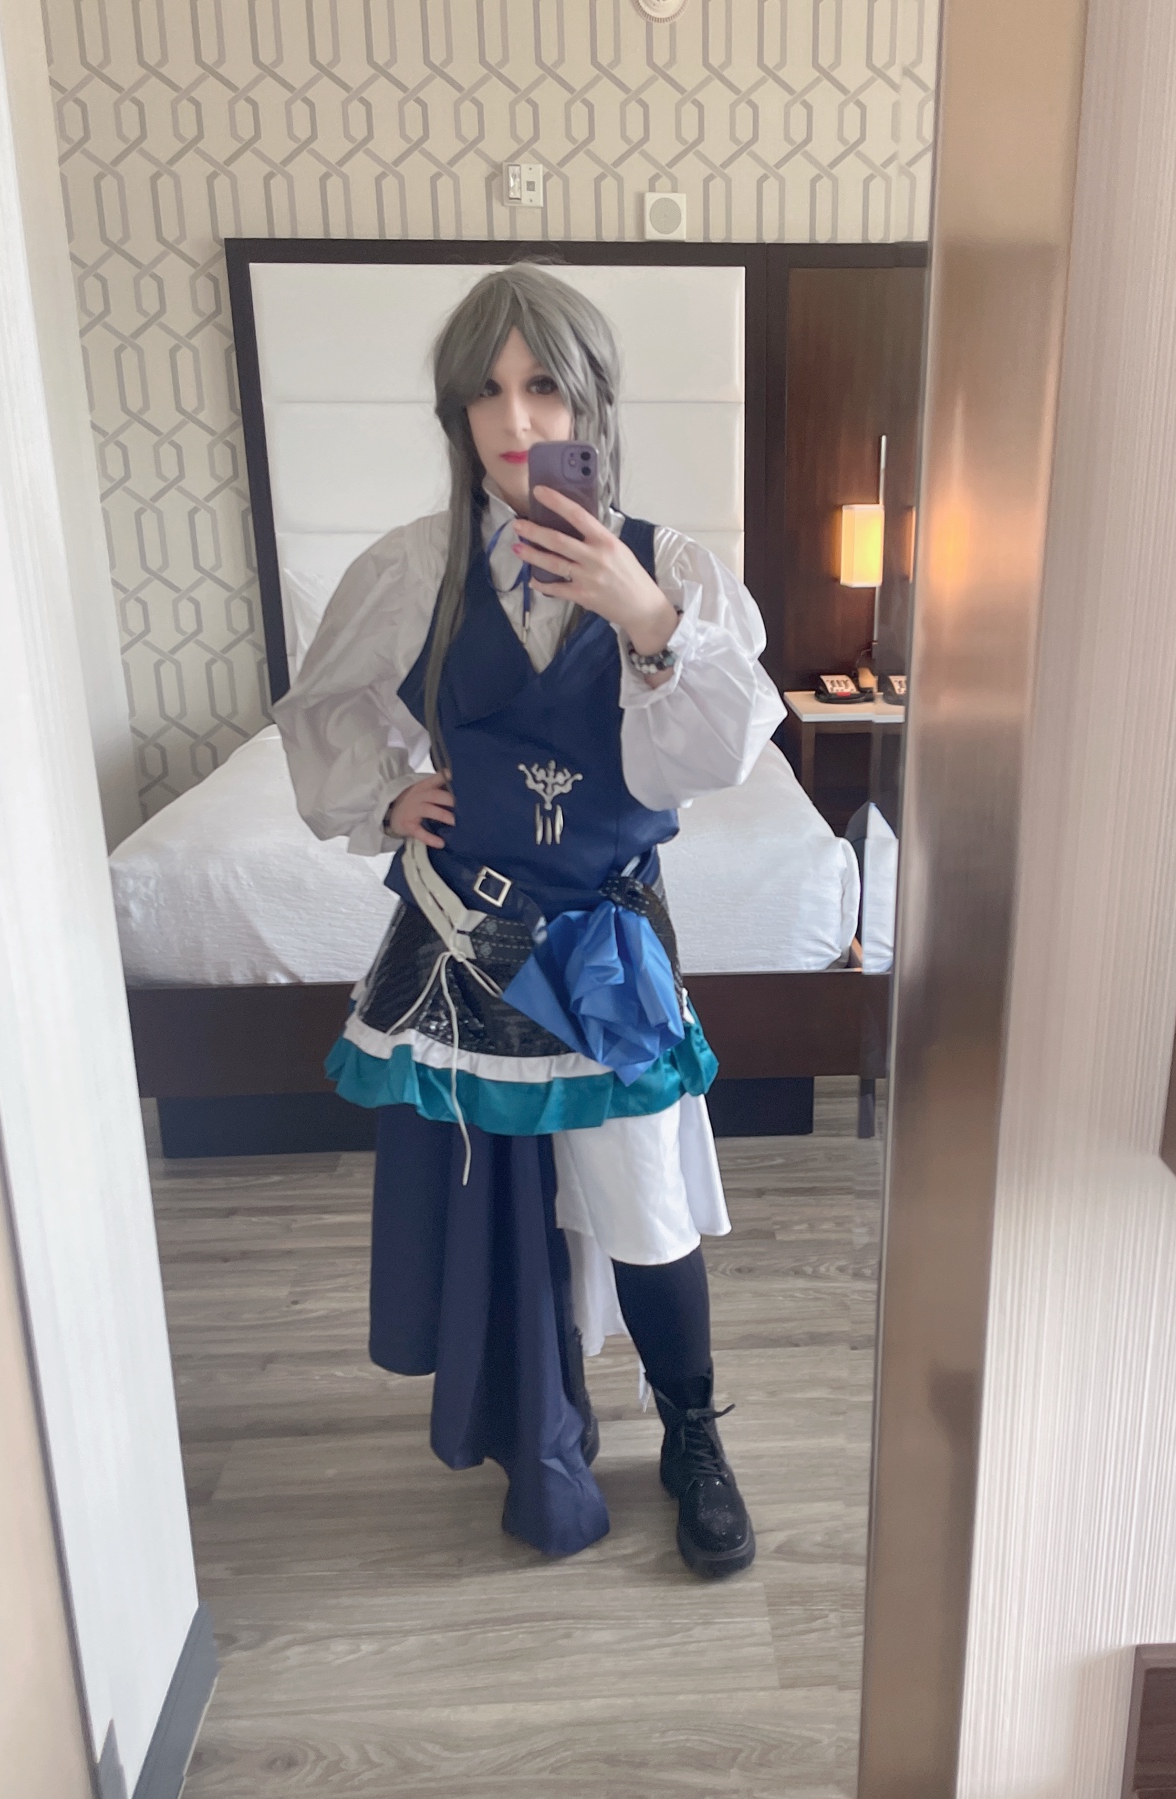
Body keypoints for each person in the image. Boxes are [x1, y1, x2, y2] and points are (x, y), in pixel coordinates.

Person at [275, 262, 783, 1576]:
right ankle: (537, 1434)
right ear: (457, 413)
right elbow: (323, 708)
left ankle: (692, 1435)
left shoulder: (671, 568)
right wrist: (386, 797)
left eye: (544, 386)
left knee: (646, 1202)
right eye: (486, 392)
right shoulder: (414, 567)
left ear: (590, 401)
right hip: (465, 937)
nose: (515, 421)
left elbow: (719, 754)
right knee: (493, 1200)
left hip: (606, 947)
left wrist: (643, 614)